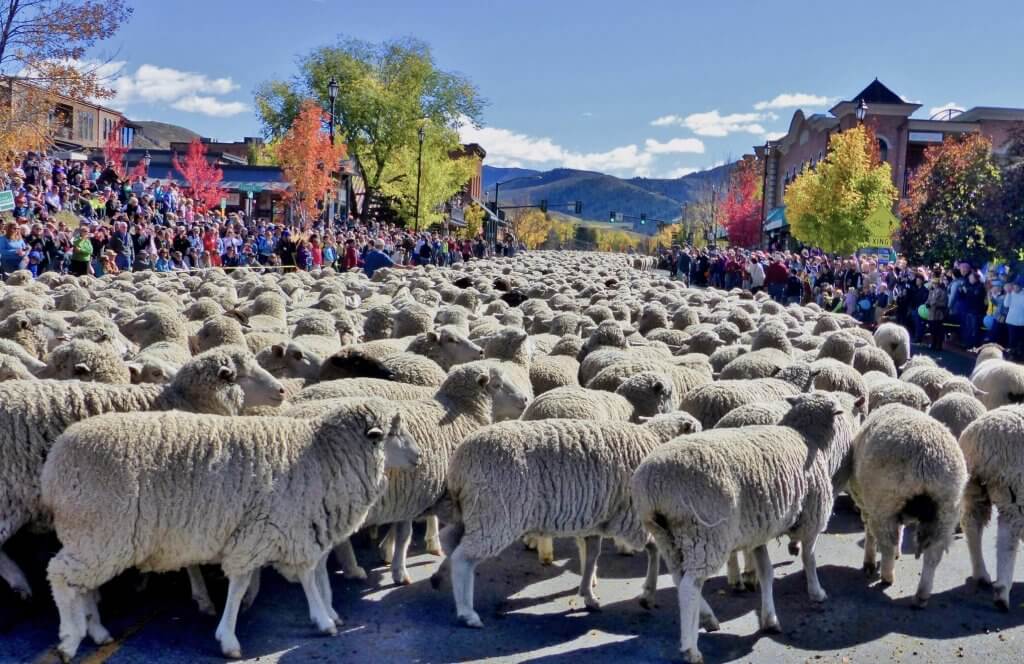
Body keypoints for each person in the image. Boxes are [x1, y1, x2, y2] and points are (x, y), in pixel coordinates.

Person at [926, 277, 949, 351]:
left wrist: (935, 304)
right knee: (932, 329)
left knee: (938, 330)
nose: (934, 285)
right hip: (931, 314)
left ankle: (939, 345)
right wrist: (927, 304)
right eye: (933, 283)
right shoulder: (931, 292)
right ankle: (933, 344)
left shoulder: (943, 292)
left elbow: (944, 303)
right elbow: (928, 300)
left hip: (938, 314)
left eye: (936, 283)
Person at [1005, 283, 1024, 360]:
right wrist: (1008, 294)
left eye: (1016, 286)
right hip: (1011, 321)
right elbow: (1006, 304)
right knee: (1012, 340)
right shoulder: (1011, 293)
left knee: (1021, 340)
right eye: (1014, 286)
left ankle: (1020, 355)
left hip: (1021, 322)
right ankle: (1011, 355)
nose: (1014, 287)